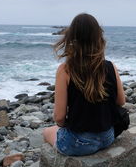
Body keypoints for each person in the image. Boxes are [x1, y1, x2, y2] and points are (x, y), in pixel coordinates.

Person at [42, 13, 125, 156]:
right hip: (108, 137)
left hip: (79, 144)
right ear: (98, 37)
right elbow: (121, 101)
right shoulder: (110, 66)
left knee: (47, 131)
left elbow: (60, 117)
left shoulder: (65, 70)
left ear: (72, 37)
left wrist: (65, 128)